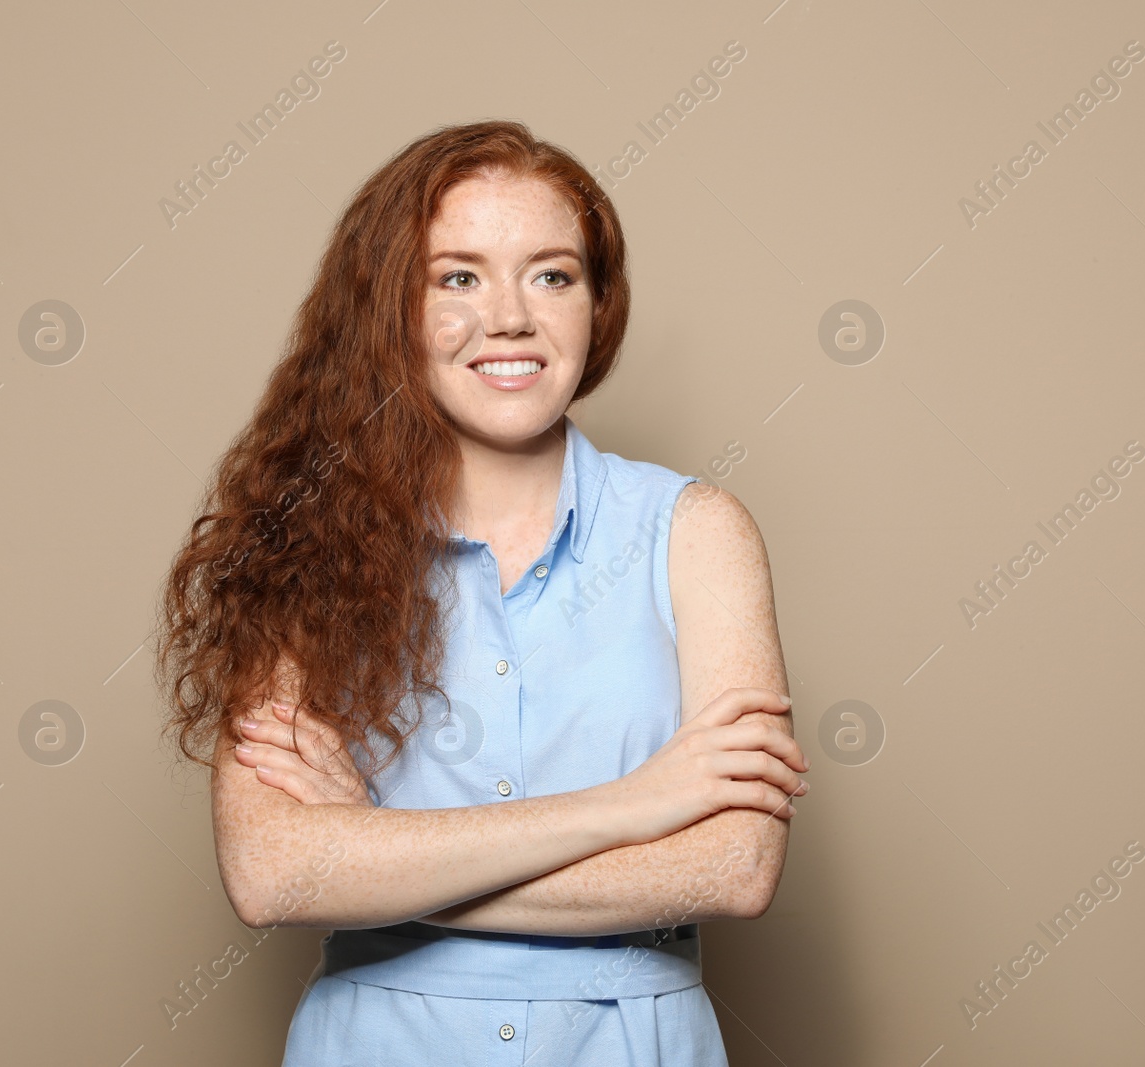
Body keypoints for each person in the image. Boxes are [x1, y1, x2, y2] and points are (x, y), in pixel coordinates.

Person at [156, 119, 809, 1066]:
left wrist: (374, 854)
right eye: (457, 276)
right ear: (393, 310)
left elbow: (735, 865)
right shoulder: (299, 540)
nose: (510, 316)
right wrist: (632, 804)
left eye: (552, 274)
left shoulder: (700, 532)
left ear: (598, 305)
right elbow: (271, 874)